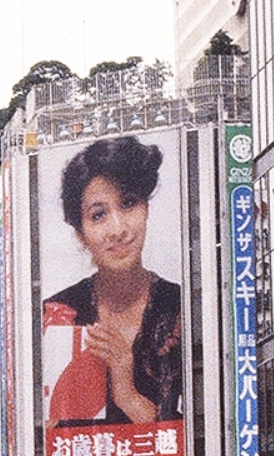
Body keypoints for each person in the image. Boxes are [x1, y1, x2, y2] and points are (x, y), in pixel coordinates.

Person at [43, 136, 183, 427]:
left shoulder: (181, 306)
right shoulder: (58, 311)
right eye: (98, 215)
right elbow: (50, 434)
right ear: (80, 234)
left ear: (145, 210)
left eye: (129, 203)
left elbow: (191, 436)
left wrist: (127, 393)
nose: (118, 229)